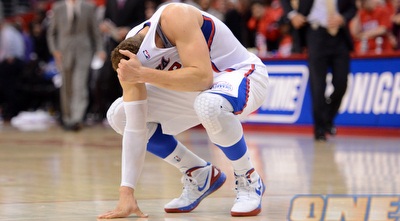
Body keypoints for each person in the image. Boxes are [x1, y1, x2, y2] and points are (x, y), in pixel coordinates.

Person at [98, 2, 268, 218]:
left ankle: (248, 178)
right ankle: (199, 173)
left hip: (240, 75)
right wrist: (126, 192)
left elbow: (202, 78)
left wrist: (144, 75)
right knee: (119, 115)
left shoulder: (175, 16)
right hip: (198, 90)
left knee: (209, 105)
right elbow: (134, 127)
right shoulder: (129, 57)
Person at [281, 0, 357, 141]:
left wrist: (343, 17)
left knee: (342, 83)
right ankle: (320, 129)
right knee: (318, 85)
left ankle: (327, 118)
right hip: (315, 34)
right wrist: (292, 15)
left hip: (339, 36)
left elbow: (352, 7)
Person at [46, 0, 106, 131]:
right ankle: (67, 118)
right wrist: (54, 51)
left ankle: (77, 119)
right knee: (66, 86)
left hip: (84, 51)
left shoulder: (89, 7)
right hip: (63, 52)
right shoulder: (57, 8)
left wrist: (100, 49)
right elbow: (52, 33)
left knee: (80, 85)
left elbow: (95, 31)